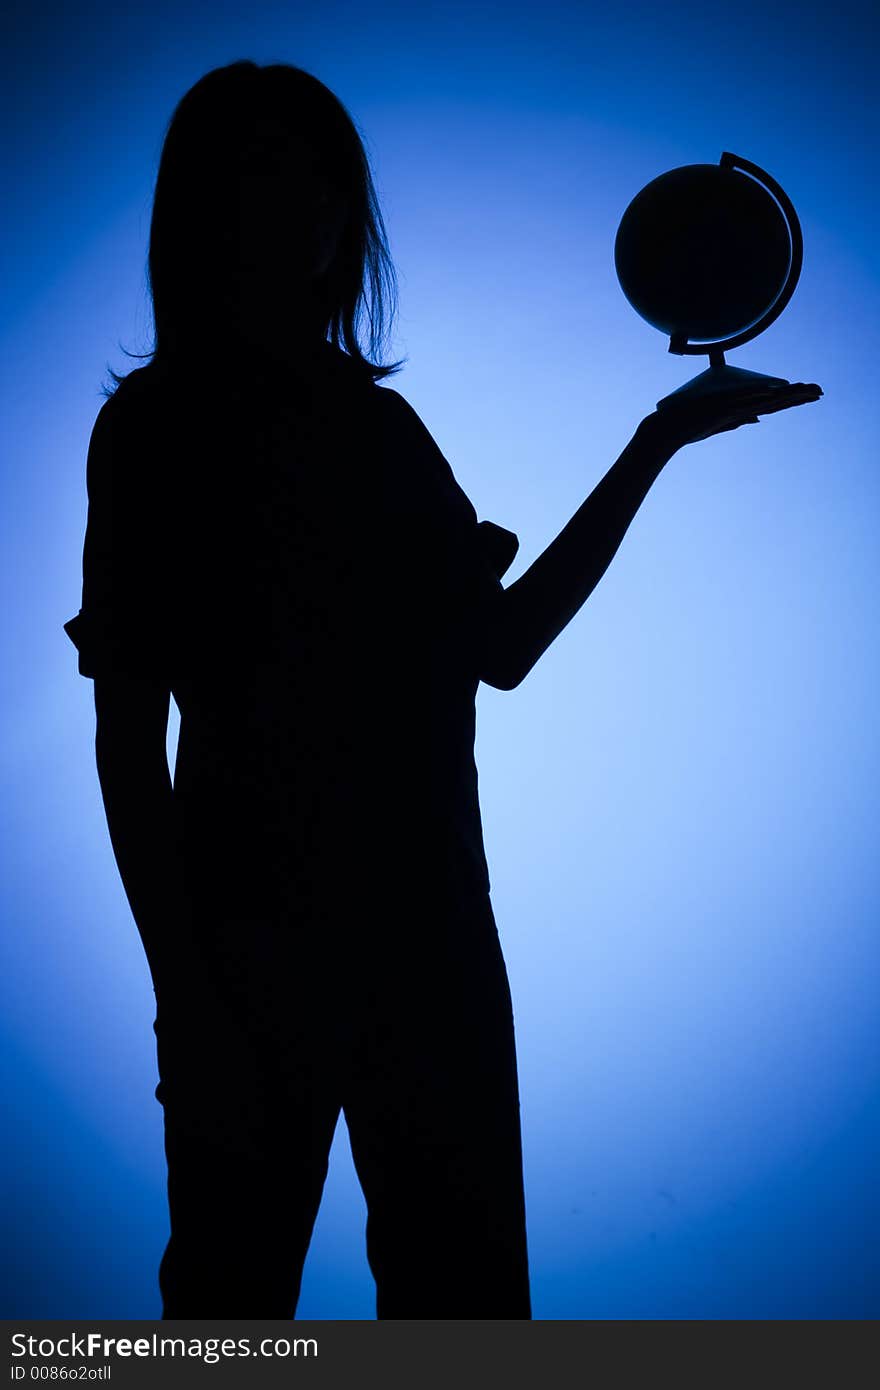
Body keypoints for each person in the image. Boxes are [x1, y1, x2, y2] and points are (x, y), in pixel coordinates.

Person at [63, 60, 822, 1320]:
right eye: (256, 171)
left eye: (313, 177)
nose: (292, 201)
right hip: (249, 949)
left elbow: (502, 645)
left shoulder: (382, 433)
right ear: (202, 211)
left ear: (337, 213)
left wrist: (657, 440)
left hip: (432, 944)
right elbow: (125, 740)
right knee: (227, 1315)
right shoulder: (157, 427)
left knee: (464, 1315)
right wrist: (186, 997)